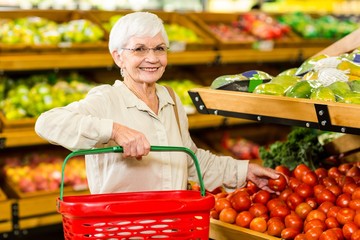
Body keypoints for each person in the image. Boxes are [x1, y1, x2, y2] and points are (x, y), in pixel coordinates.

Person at [35, 11, 280, 195]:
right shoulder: (107, 99)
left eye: (159, 49)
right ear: (118, 56)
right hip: (123, 228)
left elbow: (190, 160)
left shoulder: (170, 98)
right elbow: (47, 123)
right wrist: (114, 130)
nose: (152, 58)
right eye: (139, 49)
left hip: (169, 225)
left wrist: (244, 171)